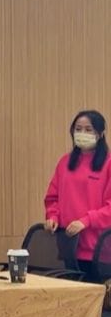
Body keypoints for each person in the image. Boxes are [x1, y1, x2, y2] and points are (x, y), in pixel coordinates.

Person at [44, 109, 111, 281]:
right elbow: (52, 198)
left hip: (99, 251)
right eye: (78, 129)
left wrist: (86, 221)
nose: (82, 133)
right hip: (68, 247)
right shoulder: (65, 162)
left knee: (95, 296)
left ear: (100, 133)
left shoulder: (108, 163)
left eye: (88, 129)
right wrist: (52, 216)